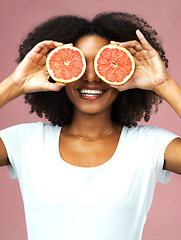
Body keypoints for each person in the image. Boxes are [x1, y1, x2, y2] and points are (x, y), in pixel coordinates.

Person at [0, 12, 181, 240]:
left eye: (104, 63)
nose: (91, 76)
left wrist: (164, 84)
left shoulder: (149, 146)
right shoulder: (26, 141)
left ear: (126, 70)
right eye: (79, 63)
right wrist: (14, 84)